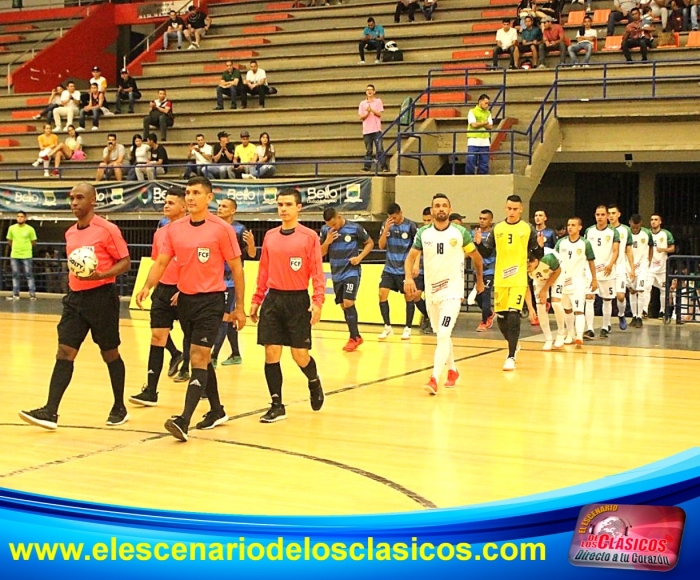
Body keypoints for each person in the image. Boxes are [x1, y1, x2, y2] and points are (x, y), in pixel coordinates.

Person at [136, 176, 246, 441]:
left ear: (209, 198)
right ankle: (217, 410)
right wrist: (147, 286)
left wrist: (240, 307)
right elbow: (161, 263)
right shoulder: (174, 230)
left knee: (197, 356)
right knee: (202, 359)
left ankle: (183, 419)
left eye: (197, 192)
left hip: (212, 301)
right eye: (188, 192)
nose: (191, 197)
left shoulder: (221, 229)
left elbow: (237, 268)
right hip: (185, 301)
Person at [19, 183, 131, 430]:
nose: (74, 203)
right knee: (64, 352)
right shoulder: (70, 233)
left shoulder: (107, 229)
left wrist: (100, 274)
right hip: (74, 299)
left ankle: (119, 406)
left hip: (102, 298)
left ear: (93, 201)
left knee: (109, 352)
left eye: (80, 198)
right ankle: (50, 411)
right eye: (71, 198)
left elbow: (125, 263)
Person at [251, 189, 325, 423]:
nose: (283, 209)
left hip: (297, 301)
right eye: (280, 204)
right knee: (271, 351)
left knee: (299, 355)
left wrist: (317, 302)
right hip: (273, 300)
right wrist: (256, 299)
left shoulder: (309, 236)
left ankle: (313, 381)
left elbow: (317, 271)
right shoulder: (270, 236)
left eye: (288, 205)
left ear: (298, 208)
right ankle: (276, 404)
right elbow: (263, 269)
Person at [404, 194, 484, 393]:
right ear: (432, 210)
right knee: (442, 335)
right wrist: (408, 277)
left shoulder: (460, 233)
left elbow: (477, 258)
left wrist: (479, 281)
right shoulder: (423, 233)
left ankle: (433, 378)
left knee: (443, 334)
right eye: (437, 206)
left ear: (449, 209)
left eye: (444, 206)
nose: (440, 209)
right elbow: (410, 257)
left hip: (452, 293)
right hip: (432, 294)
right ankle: (453, 370)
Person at [129, 187, 187, 407]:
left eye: (171, 202)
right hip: (163, 290)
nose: (166, 205)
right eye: (165, 202)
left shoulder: (191, 231)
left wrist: (183, 289)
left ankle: (203, 388)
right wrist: (147, 286)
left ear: (183, 206)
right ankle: (151, 390)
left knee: (196, 343)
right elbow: (158, 263)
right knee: (156, 336)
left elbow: (194, 266)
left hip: (187, 292)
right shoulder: (160, 233)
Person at [475, 195, 543, 371]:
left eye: (515, 209)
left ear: (521, 209)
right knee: (503, 319)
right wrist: (479, 245)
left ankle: (511, 356)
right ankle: (513, 343)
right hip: (501, 279)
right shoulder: (498, 228)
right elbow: (488, 253)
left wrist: (539, 251)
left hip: (519, 279)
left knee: (514, 315)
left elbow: (537, 254)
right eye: (509, 208)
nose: (512, 212)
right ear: (505, 209)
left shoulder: (527, 228)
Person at [320, 208, 374, 351]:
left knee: (349, 301)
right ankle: (355, 336)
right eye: (329, 225)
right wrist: (327, 241)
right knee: (344, 305)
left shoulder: (354, 228)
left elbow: (369, 243)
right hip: (336, 272)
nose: (332, 227)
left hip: (351, 271)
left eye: (334, 224)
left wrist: (359, 258)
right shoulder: (326, 231)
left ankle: (354, 338)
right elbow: (320, 253)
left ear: (339, 217)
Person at [212, 199, 256, 367]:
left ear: (233, 211)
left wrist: (251, 245)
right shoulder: (213, 227)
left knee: (223, 318)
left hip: (230, 282)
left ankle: (214, 356)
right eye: (219, 206)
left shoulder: (239, 229)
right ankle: (236, 354)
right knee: (229, 318)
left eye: (224, 206)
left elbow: (251, 254)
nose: (220, 208)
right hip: (214, 280)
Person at [377, 203, 428, 341]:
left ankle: (408, 328)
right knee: (382, 293)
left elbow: (417, 247)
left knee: (409, 297)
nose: (393, 219)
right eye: (390, 217)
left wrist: (416, 265)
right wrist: (386, 229)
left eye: (395, 217)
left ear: (400, 213)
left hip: (405, 269)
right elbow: (381, 245)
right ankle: (387, 327)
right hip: (389, 268)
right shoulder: (386, 225)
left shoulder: (411, 226)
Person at [555, 217, 597, 347]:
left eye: (573, 225)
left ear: (580, 227)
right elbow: (554, 259)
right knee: (567, 309)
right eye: (568, 225)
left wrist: (594, 279)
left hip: (579, 282)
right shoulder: (561, 243)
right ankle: (570, 333)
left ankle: (579, 335)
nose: (570, 227)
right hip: (563, 281)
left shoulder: (585, 243)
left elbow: (591, 262)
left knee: (579, 309)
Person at [584, 205, 620, 338]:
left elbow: (616, 251)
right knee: (589, 297)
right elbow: (585, 249)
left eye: (602, 214)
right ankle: (590, 328)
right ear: (595, 216)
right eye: (598, 214)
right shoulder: (589, 231)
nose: (600, 217)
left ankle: (605, 326)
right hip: (591, 270)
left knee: (607, 299)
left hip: (607, 270)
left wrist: (610, 264)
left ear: (607, 216)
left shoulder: (613, 232)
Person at [524, 250, 565, 350]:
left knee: (556, 303)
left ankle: (561, 333)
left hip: (556, 273)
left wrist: (545, 289)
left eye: (529, 267)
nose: (528, 270)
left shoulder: (548, 258)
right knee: (540, 306)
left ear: (536, 261)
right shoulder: (522, 266)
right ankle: (548, 339)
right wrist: (530, 307)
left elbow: (557, 271)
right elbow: (525, 286)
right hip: (539, 279)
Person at [641, 214, 675, 319]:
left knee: (664, 290)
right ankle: (644, 310)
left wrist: (663, 249)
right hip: (650, 266)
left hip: (662, 267)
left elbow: (672, 248)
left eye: (656, 220)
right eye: (651, 220)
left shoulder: (666, 234)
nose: (653, 222)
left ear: (660, 222)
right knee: (646, 287)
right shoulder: (646, 233)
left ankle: (662, 312)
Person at [607, 204, 635, 330]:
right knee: (606, 298)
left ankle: (621, 314)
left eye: (614, 213)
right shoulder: (604, 230)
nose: (611, 216)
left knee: (620, 296)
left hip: (620, 266)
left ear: (619, 214)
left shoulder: (625, 230)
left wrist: (632, 269)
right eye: (609, 213)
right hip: (607, 267)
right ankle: (606, 324)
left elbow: (629, 251)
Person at [6, 211, 37, 301]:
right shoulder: (11, 228)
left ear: (25, 218)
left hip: (27, 255)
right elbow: (10, 240)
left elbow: (33, 242)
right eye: (18, 216)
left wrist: (25, 248)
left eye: (22, 216)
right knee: (15, 274)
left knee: (29, 274)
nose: (20, 218)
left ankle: (32, 295)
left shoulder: (30, 229)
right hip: (15, 254)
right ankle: (15, 294)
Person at [473, 209, 496, 331]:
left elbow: (488, 252)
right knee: (478, 298)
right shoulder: (474, 233)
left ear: (490, 220)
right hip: (477, 271)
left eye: (484, 219)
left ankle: (484, 322)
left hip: (489, 270)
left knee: (486, 295)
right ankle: (490, 314)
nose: (481, 221)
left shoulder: (494, 235)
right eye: (480, 218)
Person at [628, 214, 652, 327]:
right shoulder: (626, 234)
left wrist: (649, 261)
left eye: (637, 226)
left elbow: (651, 247)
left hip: (642, 265)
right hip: (630, 266)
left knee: (641, 290)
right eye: (634, 225)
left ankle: (639, 316)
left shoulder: (647, 233)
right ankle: (633, 316)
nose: (635, 228)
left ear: (641, 223)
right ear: (630, 223)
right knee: (632, 290)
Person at [359, 84, 389, 172]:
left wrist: (371, 110)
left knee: (380, 149)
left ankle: (384, 166)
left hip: (376, 129)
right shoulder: (362, 103)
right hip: (367, 130)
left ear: (374, 91)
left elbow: (380, 114)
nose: (369, 91)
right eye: (368, 90)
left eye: (371, 89)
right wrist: (367, 113)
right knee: (369, 150)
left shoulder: (378, 101)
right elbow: (361, 117)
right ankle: (367, 166)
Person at [465, 93, 493, 175]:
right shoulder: (472, 111)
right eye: (486, 103)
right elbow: (473, 125)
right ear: (480, 102)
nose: (487, 105)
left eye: (488, 103)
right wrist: (484, 123)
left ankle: (483, 179)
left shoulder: (488, 113)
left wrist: (479, 124)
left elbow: (490, 126)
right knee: (471, 161)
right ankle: (469, 178)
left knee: (484, 163)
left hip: (485, 141)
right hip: (473, 140)